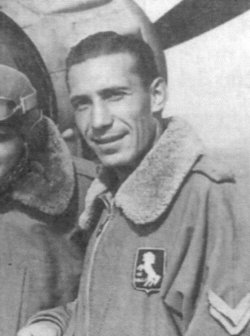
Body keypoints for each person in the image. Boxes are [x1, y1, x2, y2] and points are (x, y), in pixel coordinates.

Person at [18, 32, 250, 336]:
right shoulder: (112, 196)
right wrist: (52, 325)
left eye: (115, 95)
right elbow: (112, 310)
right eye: (82, 104)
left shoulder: (206, 196)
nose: (98, 121)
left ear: (156, 96)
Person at [0, 64, 95, 336]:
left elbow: (123, 295)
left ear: (31, 138)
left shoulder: (91, 194)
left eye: (0, 138)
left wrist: (57, 323)